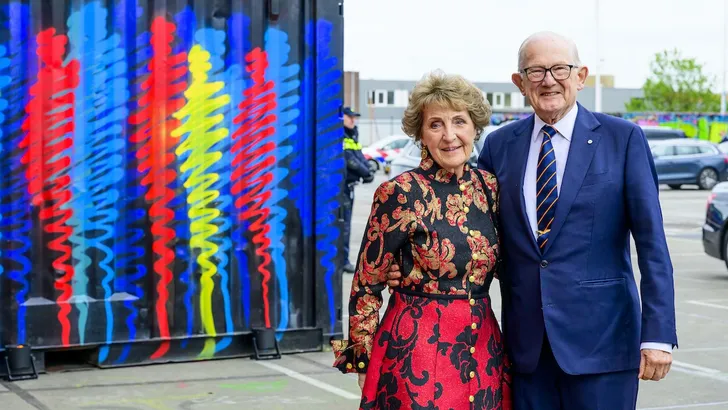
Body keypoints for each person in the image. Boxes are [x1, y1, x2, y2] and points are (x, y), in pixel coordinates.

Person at [386, 31, 677, 409]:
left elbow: (653, 246)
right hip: (526, 352)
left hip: (603, 346)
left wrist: (657, 336)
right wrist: (411, 267)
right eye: (536, 71)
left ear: (580, 75)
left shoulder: (623, 140)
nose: (549, 80)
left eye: (560, 68)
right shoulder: (499, 146)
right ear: (519, 82)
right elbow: (474, 232)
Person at [331, 71, 512, 409]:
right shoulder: (399, 192)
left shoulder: (490, 187)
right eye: (435, 125)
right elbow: (365, 283)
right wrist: (360, 360)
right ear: (420, 135)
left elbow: (507, 264)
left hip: (483, 346)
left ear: (475, 128)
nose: (449, 136)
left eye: (459, 121)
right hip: (416, 352)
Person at [343, 106, 374, 274]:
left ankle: (343, 259)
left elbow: (359, 156)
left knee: (346, 224)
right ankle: (342, 260)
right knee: (344, 225)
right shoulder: (340, 134)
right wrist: (365, 172)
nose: (353, 120)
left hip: (350, 187)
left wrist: (368, 169)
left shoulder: (352, 134)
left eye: (354, 117)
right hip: (342, 188)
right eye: (350, 117)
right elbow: (349, 160)